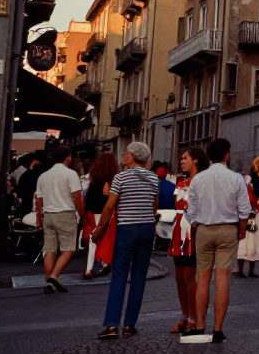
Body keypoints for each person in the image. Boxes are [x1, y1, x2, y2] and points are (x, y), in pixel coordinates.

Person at [184, 138, 251, 343]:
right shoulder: (236, 178)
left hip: (204, 229)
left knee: (202, 278)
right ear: (227, 155)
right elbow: (244, 210)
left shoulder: (198, 179)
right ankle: (218, 329)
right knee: (222, 279)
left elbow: (190, 211)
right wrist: (241, 232)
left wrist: (198, 226)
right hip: (228, 229)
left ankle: (199, 326)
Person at [93, 142, 160, 340]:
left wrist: (99, 229)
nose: (123, 156)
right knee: (139, 277)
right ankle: (130, 325)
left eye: (126, 153)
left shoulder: (120, 177)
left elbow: (110, 206)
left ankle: (112, 325)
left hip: (126, 228)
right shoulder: (154, 177)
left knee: (119, 276)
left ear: (131, 156)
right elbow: (154, 206)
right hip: (147, 229)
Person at [35, 145, 84, 294]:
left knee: (49, 249)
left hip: (48, 214)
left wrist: (39, 218)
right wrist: (82, 213)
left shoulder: (43, 176)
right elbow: (76, 196)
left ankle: (49, 281)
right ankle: (54, 277)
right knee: (68, 249)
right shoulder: (71, 174)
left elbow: (38, 199)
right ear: (68, 158)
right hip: (65, 214)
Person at [170, 148, 209, 334]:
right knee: (178, 277)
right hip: (178, 230)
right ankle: (184, 316)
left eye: (184, 158)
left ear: (195, 160)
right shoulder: (180, 181)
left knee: (189, 276)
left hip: (192, 230)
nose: (181, 161)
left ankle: (195, 317)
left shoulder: (201, 182)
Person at [82, 151, 119, 281]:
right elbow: (106, 192)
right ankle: (104, 263)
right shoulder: (110, 178)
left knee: (93, 239)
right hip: (104, 211)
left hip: (91, 210)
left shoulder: (94, 177)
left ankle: (89, 269)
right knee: (105, 238)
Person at [236, 157, 259, 278]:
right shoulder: (248, 179)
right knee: (246, 239)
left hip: (255, 213)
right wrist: (256, 205)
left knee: (254, 239)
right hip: (250, 213)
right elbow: (245, 195)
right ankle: (240, 269)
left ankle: (250, 269)